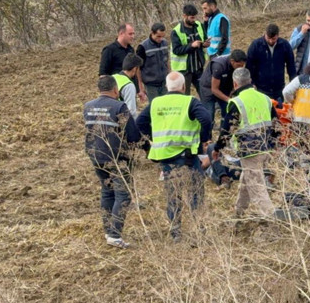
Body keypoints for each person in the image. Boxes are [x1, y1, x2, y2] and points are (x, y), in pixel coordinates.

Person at [136, 72, 212, 240]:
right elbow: (206, 119)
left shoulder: (156, 102)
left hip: (165, 155)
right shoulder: (189, 101)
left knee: (173, 192)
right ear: (184, 87)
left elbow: (139, 123)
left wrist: (153, 138)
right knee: (195, 191)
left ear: (167, 87)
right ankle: (198, 230)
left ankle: (175, 231)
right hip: (187, 155)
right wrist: (204, 138)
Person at [83, 76, 141, 248]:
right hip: (116, 158)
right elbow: (133, 134)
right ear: (116, 90)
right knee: (123, 195)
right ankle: (115, 235)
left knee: (107, 191)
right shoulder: (119, 107)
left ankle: (108, 231)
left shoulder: (88, 106)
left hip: (95, 155)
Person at [212, 68, 277, 218]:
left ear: (235, 83)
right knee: (246, 180)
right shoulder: (265, 98)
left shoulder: (237, 102)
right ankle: (238, 212)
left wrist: (217, 148)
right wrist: (274, 146)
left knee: (256, 186)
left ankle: (272, 218)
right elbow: (276, 124)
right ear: (250, 81)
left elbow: (227, 130)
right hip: (266, 147)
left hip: (250, 150)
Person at [246, 23, 296, 102]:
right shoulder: (256, 45)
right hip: (261, 88)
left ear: (278, 36)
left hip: (279, 87)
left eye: (273, 39)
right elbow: (249, 66)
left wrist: (293, 83)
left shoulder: (284, 45)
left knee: (279, 111)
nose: (271, 41)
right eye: (268, 38)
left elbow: (291, 66)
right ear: (265, 34)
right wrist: (251, 83)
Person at [200, 49, 247, 130]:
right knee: (209, 114)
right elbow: (214, 89)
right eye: (239, 66)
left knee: (227, 111)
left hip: (224, 86)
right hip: (208, 88)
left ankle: (224, 134)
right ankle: (207, 138)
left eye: (242, 66)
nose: (241, 68)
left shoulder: (237, 65)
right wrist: (229, 99)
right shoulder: (219, 66)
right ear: (232, 61)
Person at [171, 4, 208, 96]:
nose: (193, 20)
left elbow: (203, 39)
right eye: (191, 18)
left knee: (204, 92)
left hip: (198, 67)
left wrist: (205, 44)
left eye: (195, 17)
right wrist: (191, 45)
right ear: (184, 16)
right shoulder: (176, 31)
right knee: (184, 95)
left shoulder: (199, 25)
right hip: (185, 70)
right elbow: (176, 50)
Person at [136, 23, 170, 100]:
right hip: (150, 84)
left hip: (164, 82)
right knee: (155, 107)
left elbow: (166, 62)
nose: (160, 39)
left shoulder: (165, 43)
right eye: (158, 36)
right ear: (152, 33)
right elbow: (138, 69)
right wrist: (140, 88)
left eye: (162, 36)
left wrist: (169, 77)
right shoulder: (143, 47)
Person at [289, 9, 310, 73]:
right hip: (302, 69)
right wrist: (301, 33)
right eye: (308, 20)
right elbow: (291, 46)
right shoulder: (298, 29)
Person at [112, 53, 144, 118]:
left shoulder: (113, 77)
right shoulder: (129, 85)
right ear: (135, 69)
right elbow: (131, 111)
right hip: (122, 120)